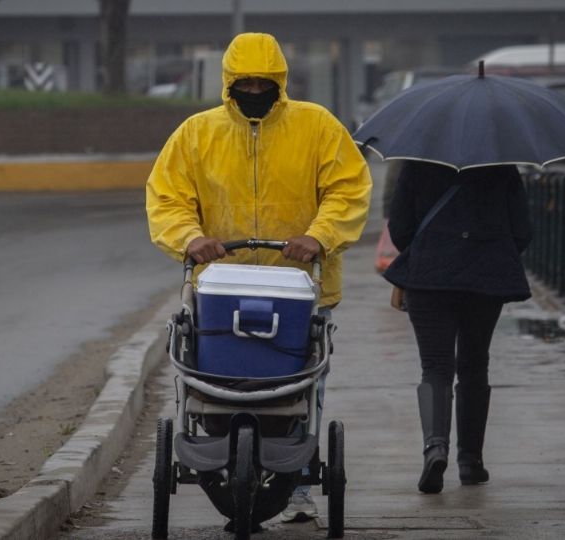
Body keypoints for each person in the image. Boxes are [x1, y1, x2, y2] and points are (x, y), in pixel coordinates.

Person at [145, 33, 372, 520]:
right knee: (215, 382)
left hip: (299, 288)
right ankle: (221, 454)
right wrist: (190, 238)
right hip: (220, 291)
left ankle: (296, 484)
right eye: (243, 82)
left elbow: (348, 190)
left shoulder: (317, 128)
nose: (253, 89)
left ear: (280, 82)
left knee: (301, 386)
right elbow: (168, 197)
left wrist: (319, 236)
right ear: (228, 83)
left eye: (262, 82)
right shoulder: (196, 134)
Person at [384, 160, 531, 494]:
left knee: (435, 366)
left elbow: (400, 228)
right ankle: (471, 462)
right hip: (485, 277)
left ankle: (435, 448)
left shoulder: (418, 163)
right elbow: (522, 231)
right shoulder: (501, 165)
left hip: (429, 277)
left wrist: (429, 248)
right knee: (475, 365)